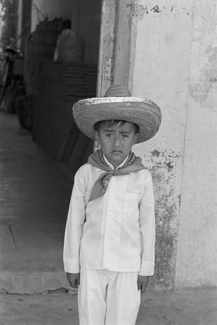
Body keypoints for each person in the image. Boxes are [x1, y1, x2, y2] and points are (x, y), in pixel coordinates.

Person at [63, 84, 162, 325]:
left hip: (127, 265)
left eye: (124, 135)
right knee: (90, 317)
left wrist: (145, 268)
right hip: (91, 262)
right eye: (108, 135)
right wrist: (72, 264)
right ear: (97, 136)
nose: (116, 142)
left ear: (135, 138)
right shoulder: (86, 174)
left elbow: (147, 225)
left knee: (123, 319)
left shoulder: (142, 177)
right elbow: (74, 221)